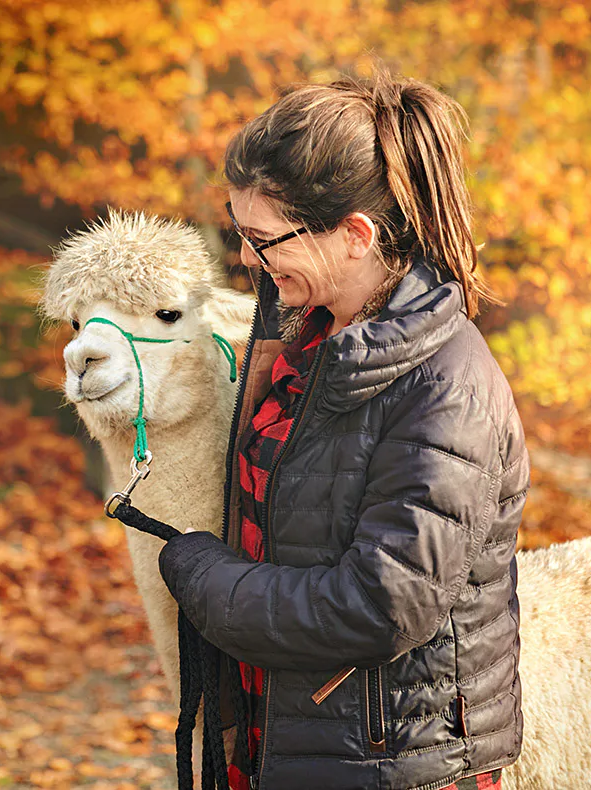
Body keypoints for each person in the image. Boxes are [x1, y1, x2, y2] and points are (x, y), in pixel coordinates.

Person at [156, 71, 529, 790]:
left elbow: (379, 607)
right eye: (239, 232)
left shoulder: (446, 390)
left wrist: (203, 576)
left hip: (390, 765)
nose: (246, 258)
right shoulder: (306, 342)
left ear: (356, 236)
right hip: (292, 740)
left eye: (262, 238)